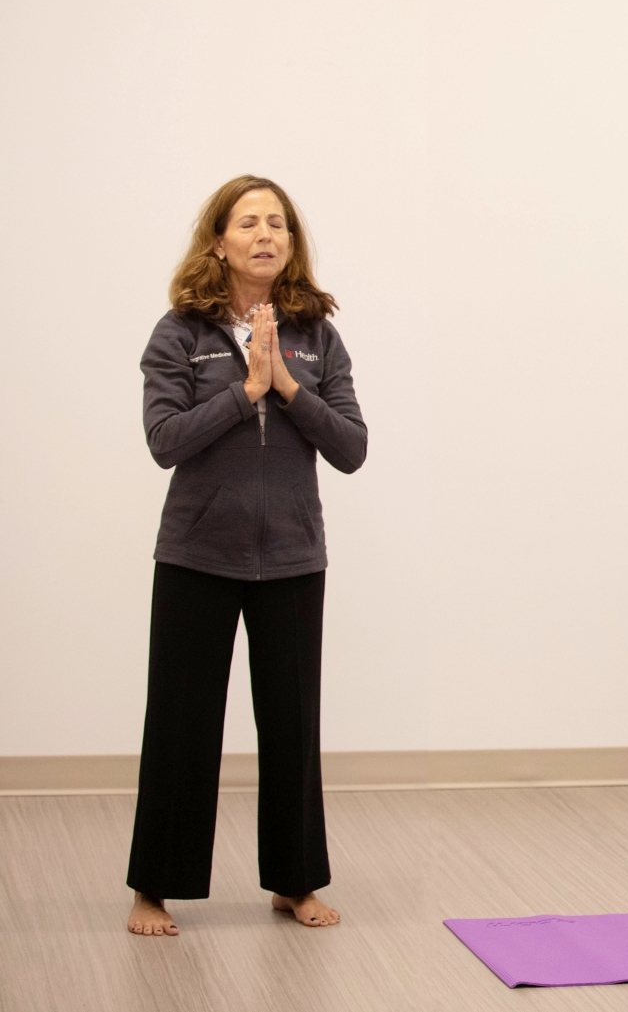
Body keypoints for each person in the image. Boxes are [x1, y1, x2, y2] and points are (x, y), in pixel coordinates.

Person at [126, 176, 367, 936]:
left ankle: (294, 882)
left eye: (278, 224)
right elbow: (164, 440)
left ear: (291, 244)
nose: (265, 234)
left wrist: (288, 386)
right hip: (198, 553)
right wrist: (243, 391)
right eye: (248, 222)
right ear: (219, 240)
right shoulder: (181, 333)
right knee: (181, 723)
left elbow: (353, 447)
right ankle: (153, 888)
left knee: (292, 725)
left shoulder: (316, 334)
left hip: (294, 558)